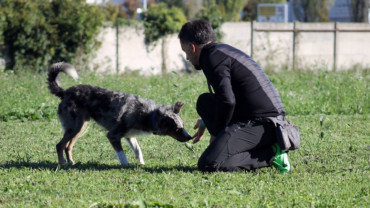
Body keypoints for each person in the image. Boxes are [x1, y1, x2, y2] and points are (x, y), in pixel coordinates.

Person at [178, 19, 291, 173]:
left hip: (265, 125)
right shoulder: (218, 51)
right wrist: (207, 121)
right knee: (204, 102)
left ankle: (271, 154)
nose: (187, 58)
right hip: (263, 120)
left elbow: (227, 101)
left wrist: (216, 133)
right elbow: (227, 97)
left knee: (208, 164)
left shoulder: (211, 58)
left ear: (193, 47)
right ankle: (252, 146)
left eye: (186, 52)